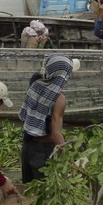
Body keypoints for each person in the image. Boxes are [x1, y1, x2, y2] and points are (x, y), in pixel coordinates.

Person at [19, 54, 79, 183]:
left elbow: (26, 118)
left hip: (27, 146)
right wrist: (70, 161)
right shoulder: (58, 99)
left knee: (29, 190)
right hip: (43, 151)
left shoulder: (34, 86)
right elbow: (55, 135)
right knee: (45, 195)